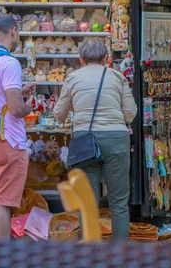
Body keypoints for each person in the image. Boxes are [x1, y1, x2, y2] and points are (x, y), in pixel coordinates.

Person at [54, 38, 137, 240]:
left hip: (85, 142)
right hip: (116, 139)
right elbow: (130, 114)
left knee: (87, 203)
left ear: (81, 59)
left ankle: (90, 255)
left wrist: (79, 108)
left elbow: (58, 115)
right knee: (118, 203)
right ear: (105, 58)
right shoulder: (117, 77)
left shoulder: (72, 78)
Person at [0, 14, 36, 240]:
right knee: (2, 203)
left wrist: (19, 92)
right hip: (8, 140)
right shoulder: (9, 62)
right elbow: (15, 109)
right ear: (13, 31)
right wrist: (27, 106)